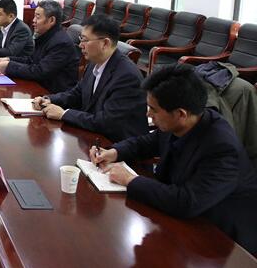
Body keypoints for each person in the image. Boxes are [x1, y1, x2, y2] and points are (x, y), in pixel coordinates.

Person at [90, 64, 257, 255]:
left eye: (153, 109)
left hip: (221, 239)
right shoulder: (179, 123)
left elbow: (186, 201)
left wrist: (130, 180)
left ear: (181, 114)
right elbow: (146, 143)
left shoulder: (222, 148)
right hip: (183, 216)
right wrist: (114, 152)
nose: (148, 114)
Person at [32, 14, 149, 142]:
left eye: (85, 40)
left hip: (117, 145)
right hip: (94, 137)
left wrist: (64, 114)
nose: (80, 45)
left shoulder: (127, 77)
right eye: (80, 39)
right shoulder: (95, 62)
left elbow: (107, 122)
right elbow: (77, 93)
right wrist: (50, 99)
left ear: (105, 43)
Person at [0, 0, 78, 93]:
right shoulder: (46, 36)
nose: (33, 20)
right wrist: (7, 59)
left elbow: (40, 71)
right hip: (40, 90)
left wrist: (9, 66)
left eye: (38, 17)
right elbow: (30, 60)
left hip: (53, 95)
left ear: (51, 20)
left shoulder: (61, 43)